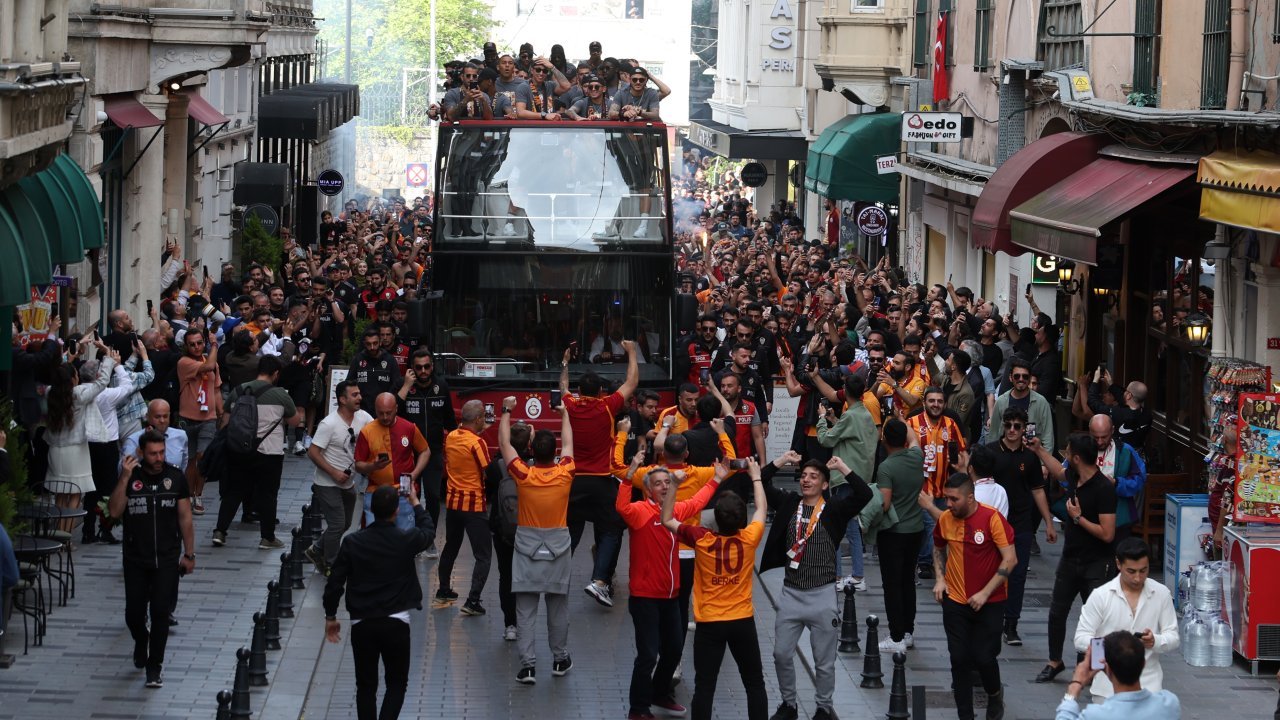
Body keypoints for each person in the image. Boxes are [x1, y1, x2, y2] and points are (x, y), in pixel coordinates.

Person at [757, 451, 872, 720]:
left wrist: (843, 466)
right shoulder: (788, 503)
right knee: (781, 653)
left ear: (824, 485)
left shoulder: (834, 510)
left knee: (824, 662)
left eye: (814, 477)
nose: (806, 480)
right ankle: (788, 705)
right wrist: (782, 460)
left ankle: (823, 707)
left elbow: (864, 495)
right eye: (804, 476)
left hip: (822, 595)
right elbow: (760, 481)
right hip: (791, 594)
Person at [661, 457, 769, 720]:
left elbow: (667, 519)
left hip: (709, 622)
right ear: (742, 519)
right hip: (742, 620)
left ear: (716, 520)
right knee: (754, 683)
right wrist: (756, 476)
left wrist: (675, 485)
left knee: (705, 687)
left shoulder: (702, 539)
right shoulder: (749, 538)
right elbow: (762, 511)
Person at [618, 456, 726, 720]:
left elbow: (698, 501)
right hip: (645, 597)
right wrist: (627, 476)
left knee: (674, 648)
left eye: (668, 482)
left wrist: (717, 478)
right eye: (658, 483)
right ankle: (638, 708)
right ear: (647, 490)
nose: (665, 486)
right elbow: (621, 507)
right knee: (648, 655)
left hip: (671, 595)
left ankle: (659, 693)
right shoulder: (640, 512)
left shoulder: (675, 512)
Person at [323, 485, 435, 720]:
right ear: (396, 511)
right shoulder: (405, 540)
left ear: (372, 509)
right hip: (396, 621)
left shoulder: (353, 542)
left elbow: (335, 581)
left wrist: (331, 616)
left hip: (363, 622)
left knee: (365, 685)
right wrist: (415, 501)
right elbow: (428, 530)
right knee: (396, 683)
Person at [498, 395, 576, 684]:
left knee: (526, 610)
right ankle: (559, 658)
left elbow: (505, 445)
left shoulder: (523, 474)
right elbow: (569, 443)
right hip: (558, 547)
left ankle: (528, 666)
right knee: (558, 608)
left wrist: (506, 411)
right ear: (554, 452)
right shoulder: (566, 472)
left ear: (531, 450)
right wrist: (564, 414)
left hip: (527, 547)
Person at [109, 431, 196, 689]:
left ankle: (154, 665)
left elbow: (185, 518)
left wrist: (189, 553)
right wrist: (124, 477)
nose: (158, 458)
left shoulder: (175, 477)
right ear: (141, 453)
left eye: (161, 452)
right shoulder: (131, 476)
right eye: (153, 454)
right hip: (136, 557)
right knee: (133, 614)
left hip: (167, 558)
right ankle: (140, 639)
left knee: (160, 612)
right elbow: (114, 511)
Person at [928, 473, 1017, 720]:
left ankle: (994, 694)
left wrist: (984, 593)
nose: (948, 504)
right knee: (959, 659)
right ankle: (965, 715)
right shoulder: (946, 519)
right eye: (946, 498)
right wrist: (940, 578)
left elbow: (1011, 560)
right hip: (955, 601)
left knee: (984, 657)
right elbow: (937, 548)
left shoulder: (991, 518)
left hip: (991, 601)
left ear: (970, 497)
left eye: (954, 499)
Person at [1033, 433, 1118, 684]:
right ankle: (1054, 661)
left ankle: (1097, 665)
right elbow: (1059, 472)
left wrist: (1078, 518)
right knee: (1057, 612)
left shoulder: (1104, 489)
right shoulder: (1074, 476)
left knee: (1098, 617)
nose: (1066, 456)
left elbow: (1107, 533)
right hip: (1070, 558)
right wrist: (1039, 450)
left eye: (1068, 452)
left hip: (1097, 563)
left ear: (1078, 458)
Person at [563, 340, 639, 609]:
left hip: (573, 482)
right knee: (611, 531)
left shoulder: (570, 404)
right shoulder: (607, 407)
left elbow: (562, 387)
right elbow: (631, 382)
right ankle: (599, 582)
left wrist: (564, 364)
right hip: (602, 480)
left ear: (580, 391)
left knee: (570, 530)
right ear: (599, 393)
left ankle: (557, 577)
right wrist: (631, 352)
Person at [212, 355, 301, 549]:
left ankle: (220, 531)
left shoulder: (238, 391)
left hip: (239, 451)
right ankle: (267, 538)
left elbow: (225, 423)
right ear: (276, 373)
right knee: (268, 494)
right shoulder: (280, 395)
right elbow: (295, 422)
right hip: (270, 453)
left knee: (233, 492)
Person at [985, 407, 1057, 646]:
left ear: (1024, 427)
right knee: (993, 572)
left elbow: (1037, 490)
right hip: (995, 523)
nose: (1013, 430)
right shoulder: (991, 452)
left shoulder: (1030, 456)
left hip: (1022, 523)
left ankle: (1011, 623)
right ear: (1003, 426)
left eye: (1018, 426)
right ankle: (992, 618)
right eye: (1009, 425)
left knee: (1017, 576)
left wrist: (1048, 522)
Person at [1073, 538, 1178, 700]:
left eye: (1143, 571)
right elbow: (1080, 639)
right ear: (1118, 564)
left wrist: (1154, 641)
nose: (1137, 578)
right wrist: (1110, 648)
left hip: (1150, 687)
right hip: (1106, 690)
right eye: (1131, 571)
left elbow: (1173, 637)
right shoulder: (1100, 596)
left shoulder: (1162, 593)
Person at [815, 373, 878, 590]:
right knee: (851, 527)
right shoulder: (864, 414)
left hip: (844, 479)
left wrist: (823, 419)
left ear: (845, 391)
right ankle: (854, 576)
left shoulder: (851, 416)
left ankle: (842, 577)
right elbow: (851, 434)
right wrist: (835, 420)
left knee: (840, 527)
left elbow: (825, 439)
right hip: (859, 479)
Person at [304, 381, 373, 575]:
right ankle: (331, 565)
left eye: (359, 394)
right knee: (336, 524)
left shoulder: (364, 417)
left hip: (348, 482)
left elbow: (375, 432)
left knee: (345, 523)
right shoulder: (329, 424)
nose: (360, 398)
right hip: (327, 482)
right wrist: (333, 472)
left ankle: (316, 549)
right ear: (342, 400)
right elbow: (313, 452)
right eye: (354, 395)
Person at [396, 347, 457, 555]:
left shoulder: (442, 386)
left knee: (432, 495)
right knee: (409, 494)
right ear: (412, 369)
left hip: (434, 452)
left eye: (427, 367)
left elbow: (450, 420)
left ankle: (428, 538)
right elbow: (391, 412)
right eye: (418, 367)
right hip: (407, 454)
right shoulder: (403, 387)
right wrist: (406, 386)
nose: (423, 371)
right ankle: (409, 536)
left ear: (432, 367)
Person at [434, 399, 492, 616]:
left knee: (451, 547)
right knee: (483, 555)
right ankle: (473, 600)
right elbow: (488, 470)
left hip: (453, 504)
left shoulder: (450, 437)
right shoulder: (477, 443)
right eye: (483, 418)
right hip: (474, 505)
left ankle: (444, 589)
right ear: (478, 419)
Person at [45, 340, 116, 511]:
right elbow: (102, 382)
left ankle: (58, 535)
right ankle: (67, 536)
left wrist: (68, 359)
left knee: (61, 494)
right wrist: (108, 356)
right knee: (76, 494)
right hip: (75, 450)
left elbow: (60, 377)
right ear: (73, 378)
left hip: (55, 449)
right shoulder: (79, 394)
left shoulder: (50, 393)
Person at [875, 418, 925, 656]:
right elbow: (915, 438)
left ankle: (896, 637)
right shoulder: (916, 457)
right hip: (916, 530)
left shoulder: (886, 467)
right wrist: (904, 422)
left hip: (894, 533)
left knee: (892, 584)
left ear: (884, 440)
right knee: (907, 582)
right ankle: (907, 631)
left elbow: (884, 504)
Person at [908, 386, 967, 580]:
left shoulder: (951, 424)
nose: (936, 405)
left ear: (945, 404)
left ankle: (928, 562)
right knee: (932, 525)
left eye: (939, 401)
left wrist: (964, 474)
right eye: (932, 401)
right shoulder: (912, 423)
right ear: (924, 402)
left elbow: (962, 452)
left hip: (945, 488)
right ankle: (926, 563)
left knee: (939, 526)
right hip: (921, 488)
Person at [1055, 631, 1181, 719]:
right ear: (1143, 664)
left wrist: (1075, 686)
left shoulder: (1095, 715)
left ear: (1107, 668)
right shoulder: (1169, 703)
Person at [354, 393, 431, 534]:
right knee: (375, 539)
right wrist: (373, 466)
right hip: (376, 492)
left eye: (388, 413)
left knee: (405, 536)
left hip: (403, 491)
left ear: (396, 408)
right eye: (380, 413)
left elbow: (425, 451)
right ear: (375, 410)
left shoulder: (409, 427)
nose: (384, 417)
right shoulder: (366, 432)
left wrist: (413, 475)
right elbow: (358, 465)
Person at [175, 328, 221, 515]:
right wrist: (215, 345)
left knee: (203, 458)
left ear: (204, 343)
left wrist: (222, 413)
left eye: (199, 343)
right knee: (189, 460)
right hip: (188, 419)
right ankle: (188, 494)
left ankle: (198, 494)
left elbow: (216, 389)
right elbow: (208, 367)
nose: (196, 347)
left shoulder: (211, 362)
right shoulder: (184, 362)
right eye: (192, 344)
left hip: (208, 419)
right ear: (186, 346)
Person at [1089, 414, 1146, 544]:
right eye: (1095, 437)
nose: (1099, 442)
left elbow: (1140, 480)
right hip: (1087, 518)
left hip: (1119, 517)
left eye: (1104, 437)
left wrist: (1116, 483)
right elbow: (1064, 477)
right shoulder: (1080, 448)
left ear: (1113, 430)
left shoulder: (1126, 451)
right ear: (1089, 431)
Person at [988, 358, 1055, 455]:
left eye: (1025, 376)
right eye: (1017, 376)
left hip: (1032, 458)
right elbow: (993, 435)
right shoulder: (1001, 401)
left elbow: (1048, 437)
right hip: (1005, 456)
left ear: (1029, 379)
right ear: (1010, 378)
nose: (1021, 379)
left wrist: (1044, 464)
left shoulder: (1041, 402)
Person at [1087, 369, 1151, 453]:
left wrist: (1095, 380)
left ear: (1128, 395)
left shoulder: (1116, 413)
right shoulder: (1148, 415)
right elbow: (1127, 399)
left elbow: (1092, 401)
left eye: (1126, 391)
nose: (1123, 392)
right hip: (1136, 457)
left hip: (1118, 458)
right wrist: (1111, 385)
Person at [350, 327, 402, 415]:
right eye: (369, 344)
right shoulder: (357, 360)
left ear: (380, 342)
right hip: (362, 411)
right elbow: (350, 384)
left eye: (375, 343)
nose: (372, 347)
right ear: (364, 344)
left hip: (384, 411)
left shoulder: (390, 360)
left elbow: (396, 385)